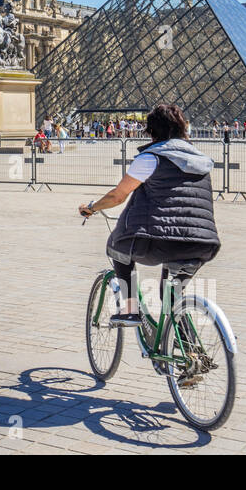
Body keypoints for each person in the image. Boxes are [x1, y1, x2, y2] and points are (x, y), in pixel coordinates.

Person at [79, 104, 221, 326]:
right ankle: (189, 351)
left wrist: (92, 208)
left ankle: (129, 311)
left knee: (116, 247)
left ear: (152, 131)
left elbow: (118, 196)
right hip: (203, 243)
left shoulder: (151, 158)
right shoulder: (201, 161)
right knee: (171, 297)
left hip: (160, 240)